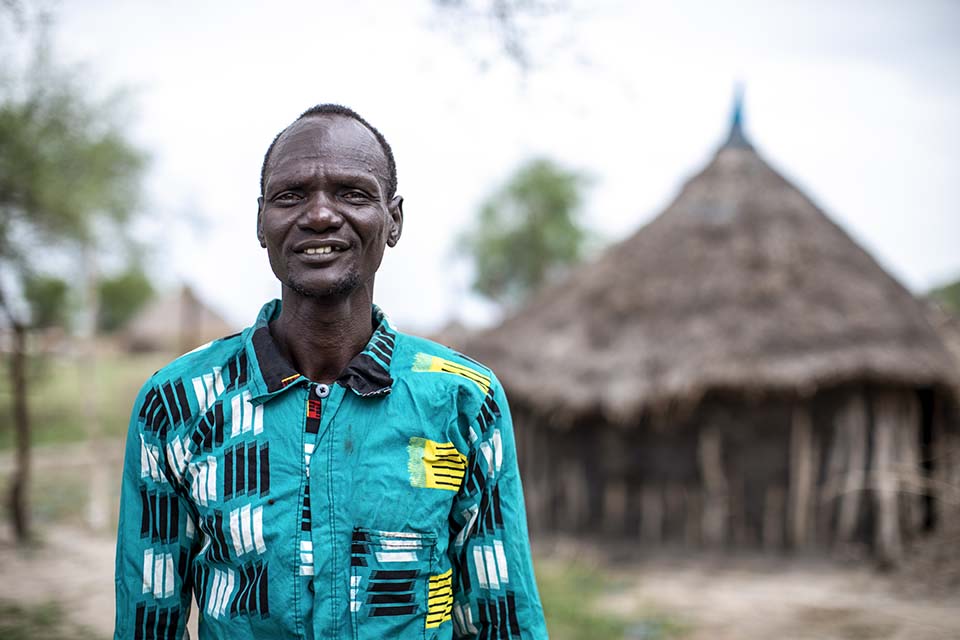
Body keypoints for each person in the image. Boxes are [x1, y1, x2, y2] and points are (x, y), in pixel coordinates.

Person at [114, 104, 547, 639]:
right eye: (291, 195)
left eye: (352, 193)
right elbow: (147, 620)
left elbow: (504, 617)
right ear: (261, 221)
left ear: (394, 221)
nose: (320, 215)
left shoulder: (461, 398)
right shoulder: (178, 403)